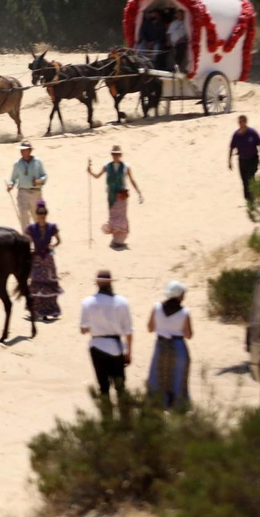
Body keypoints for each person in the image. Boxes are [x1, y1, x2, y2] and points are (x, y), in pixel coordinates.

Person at [80, 269, 134, 398]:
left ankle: (106, 414)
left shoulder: (87, 302)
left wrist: (96, 324)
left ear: (97, 284)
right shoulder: (122, 302)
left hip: (97, 346)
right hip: (116, 347)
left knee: (103, 386)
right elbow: (129, 332)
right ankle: (123, 415)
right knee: (120, 385)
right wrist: (129, 353)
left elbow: (83, 330)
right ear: (110, 283)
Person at [147, 281, 194, 409]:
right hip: (178, 346)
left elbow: (150, 328)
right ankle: (178, 404)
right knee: (179, 376)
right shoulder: (185, 312)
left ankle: (158, 402)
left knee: (158, 374)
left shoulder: (156, 307)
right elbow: (189, 335)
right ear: (179, 296)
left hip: (161, 345)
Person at [88, 146, 142, 249]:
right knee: (113, 217)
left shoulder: (126, 166)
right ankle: (116, 240)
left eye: (117, 154)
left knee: (122, 216)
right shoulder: (107, 166)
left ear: (120, 155)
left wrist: (138, 192)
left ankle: (120, 240)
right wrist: (90, 171)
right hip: (111, 196)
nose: (115, 156)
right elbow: (97, 176)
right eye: (114, 154)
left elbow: (131, 180)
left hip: (122, 196)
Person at [25, 201, 63, 321]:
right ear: (36, 214)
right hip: (36, 257)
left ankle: (49, 310)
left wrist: (53, 245)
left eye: (44, 213)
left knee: (48, 283)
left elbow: (58, 240)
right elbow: (27, 241)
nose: (42, 216)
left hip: (47, 258)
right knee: (36, 283)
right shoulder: (31, 228)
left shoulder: (52, 227)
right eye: (40, 213)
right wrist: (29, 249)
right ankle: (36, 310)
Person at [6, 142, 48, 230]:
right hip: (22, 193)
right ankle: (26, 239)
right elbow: (13, 178)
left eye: (24, 150)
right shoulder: (17, 164)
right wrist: (10, 185)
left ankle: (39, 238)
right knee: (24, 217)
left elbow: (44, 175)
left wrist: (39, 181)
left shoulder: (38, 162)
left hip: (36, 194)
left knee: (37, 217)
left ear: (30, 150)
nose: (22, 152)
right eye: (21, 150)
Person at [228, 115, 260, 203]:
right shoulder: (236, 135)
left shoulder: (252, 133)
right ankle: (248, 199)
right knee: (244, 180)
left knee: (250, 177)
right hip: (242, 160)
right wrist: (229, 161)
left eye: (242, 122)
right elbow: (231, 148)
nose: (240, 124)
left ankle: (253, 195)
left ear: (246, 122)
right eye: (239, 122)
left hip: (253, 159)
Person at [167, 10, 190, 75]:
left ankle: (177, 66)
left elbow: (187, 34)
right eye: (177, 14)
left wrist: (181, 40)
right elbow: (168, 33)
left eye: (180, 14)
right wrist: (168, 41)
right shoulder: (174, 23)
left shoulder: (186, 23)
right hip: (172, 42)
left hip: (181, 42)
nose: (178, 15)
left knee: (180, 48)